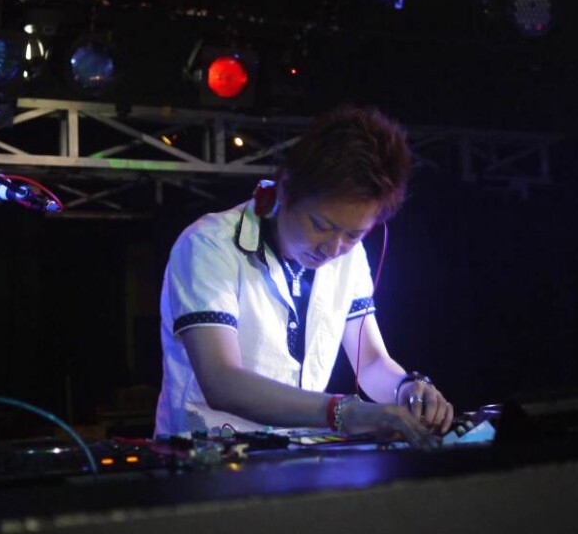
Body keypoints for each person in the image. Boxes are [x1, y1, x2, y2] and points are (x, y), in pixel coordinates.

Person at [154, 104, 453, 448]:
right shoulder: (209, 244)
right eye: (321, 225)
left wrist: (407, 389)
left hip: (297, 456)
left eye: (353, 234)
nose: (334, 248)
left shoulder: (351, 256)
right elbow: (222, 380)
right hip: (205, 460)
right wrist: (344, 412)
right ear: (285, 189)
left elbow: (370, 362)